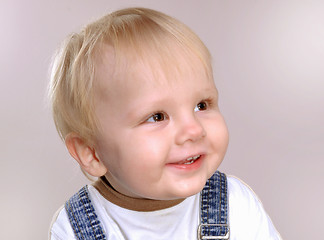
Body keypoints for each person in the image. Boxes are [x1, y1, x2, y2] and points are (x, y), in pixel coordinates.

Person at [49, 7, 281, 240]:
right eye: (157, 116)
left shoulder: (236, 206)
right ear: (92, 153)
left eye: (201, 105)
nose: (194, 130)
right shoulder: (73, 229)